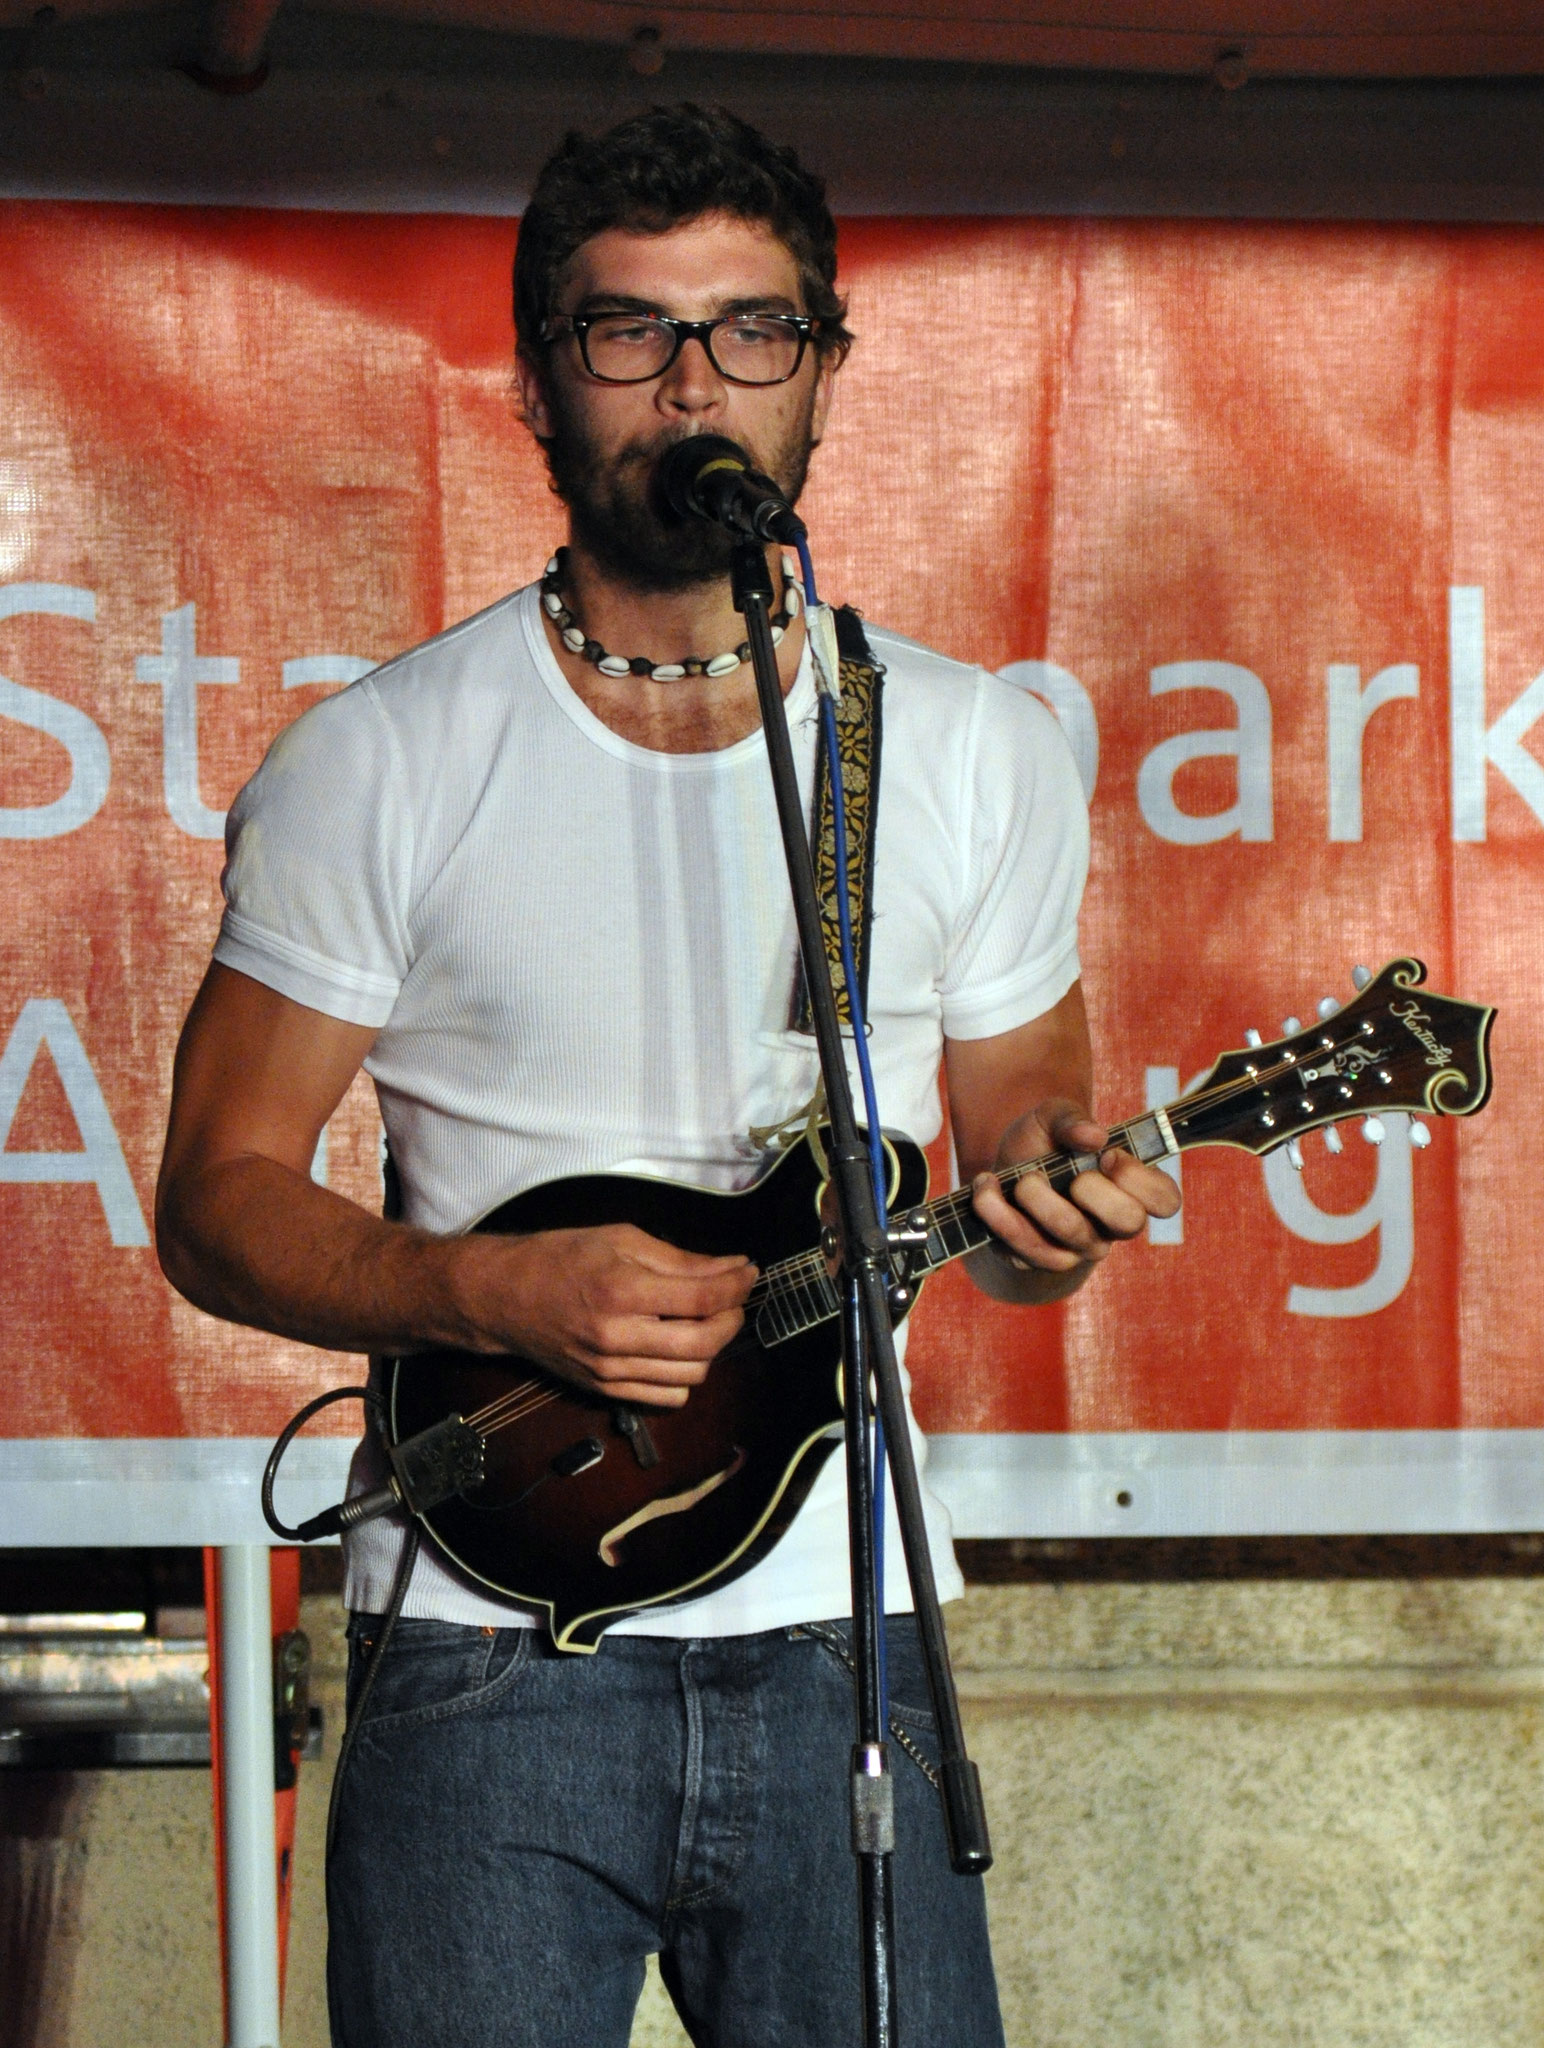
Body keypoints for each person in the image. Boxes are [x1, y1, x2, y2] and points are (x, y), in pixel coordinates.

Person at [157, 104, 1179, 2048]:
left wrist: (1059, 1205)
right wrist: (490, 1286)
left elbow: (1028, 1184)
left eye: (749, 332)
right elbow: (214, 1194)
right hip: (485, 1640)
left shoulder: (959, 749)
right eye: (628, 334)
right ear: (541, 379)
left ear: (823, 373)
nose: (691, 382)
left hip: (842, 1640)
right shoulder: (381, 757)